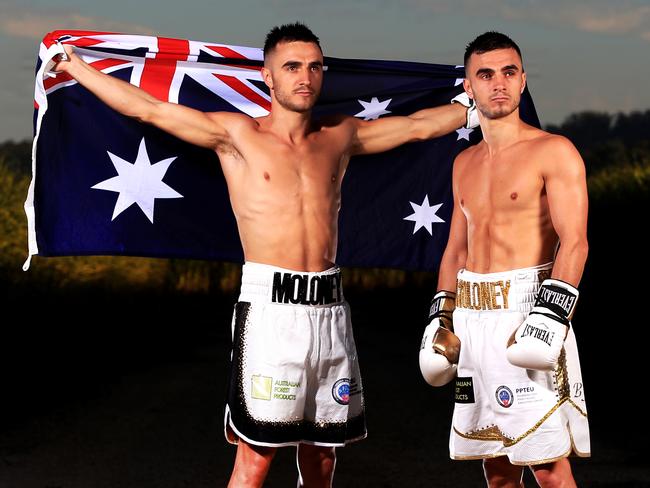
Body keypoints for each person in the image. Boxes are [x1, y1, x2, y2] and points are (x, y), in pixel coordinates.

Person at [51, 23, 475, 487]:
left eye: (314, 67)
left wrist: (469, 105)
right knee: (256, 459)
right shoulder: (238, 136)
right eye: (292, 67)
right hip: (271, 312)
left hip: (330, 313)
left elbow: (415, 128)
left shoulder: (340, 136)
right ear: (268, 77)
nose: (305, 77)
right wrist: (77, 68)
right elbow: (150, 110)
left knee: (323, 458)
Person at [418, 32, 590, 487]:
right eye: (486, 74)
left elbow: (575, 242)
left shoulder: (553, 150)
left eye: (509, 72)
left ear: (523, 81)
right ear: (469, 89)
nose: (499, 83)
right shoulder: (464, 162)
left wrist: (549, 318)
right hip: (473, 319)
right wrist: (442, 317)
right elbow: (455, 250)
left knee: (549, 466)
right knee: (494, 464)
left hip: (528, 311)